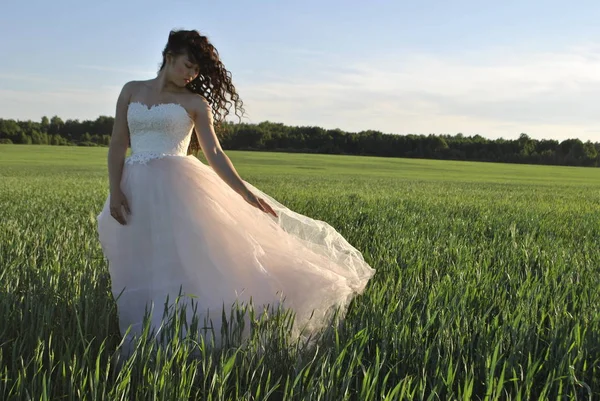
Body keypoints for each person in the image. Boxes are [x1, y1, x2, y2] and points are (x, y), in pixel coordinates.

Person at [96, 29, 375, 354]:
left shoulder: (194, 103)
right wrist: (115, 190)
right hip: (136, 186)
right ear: (169, 56)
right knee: (141, 261)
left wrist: (245, 193)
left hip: (178, 188)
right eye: (188, 65)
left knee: (182, 263)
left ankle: (184, 339)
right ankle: (146, 333)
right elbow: (118, 142)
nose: (191, 75)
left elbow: (214, 153)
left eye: (196, 71)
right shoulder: (131, 90)